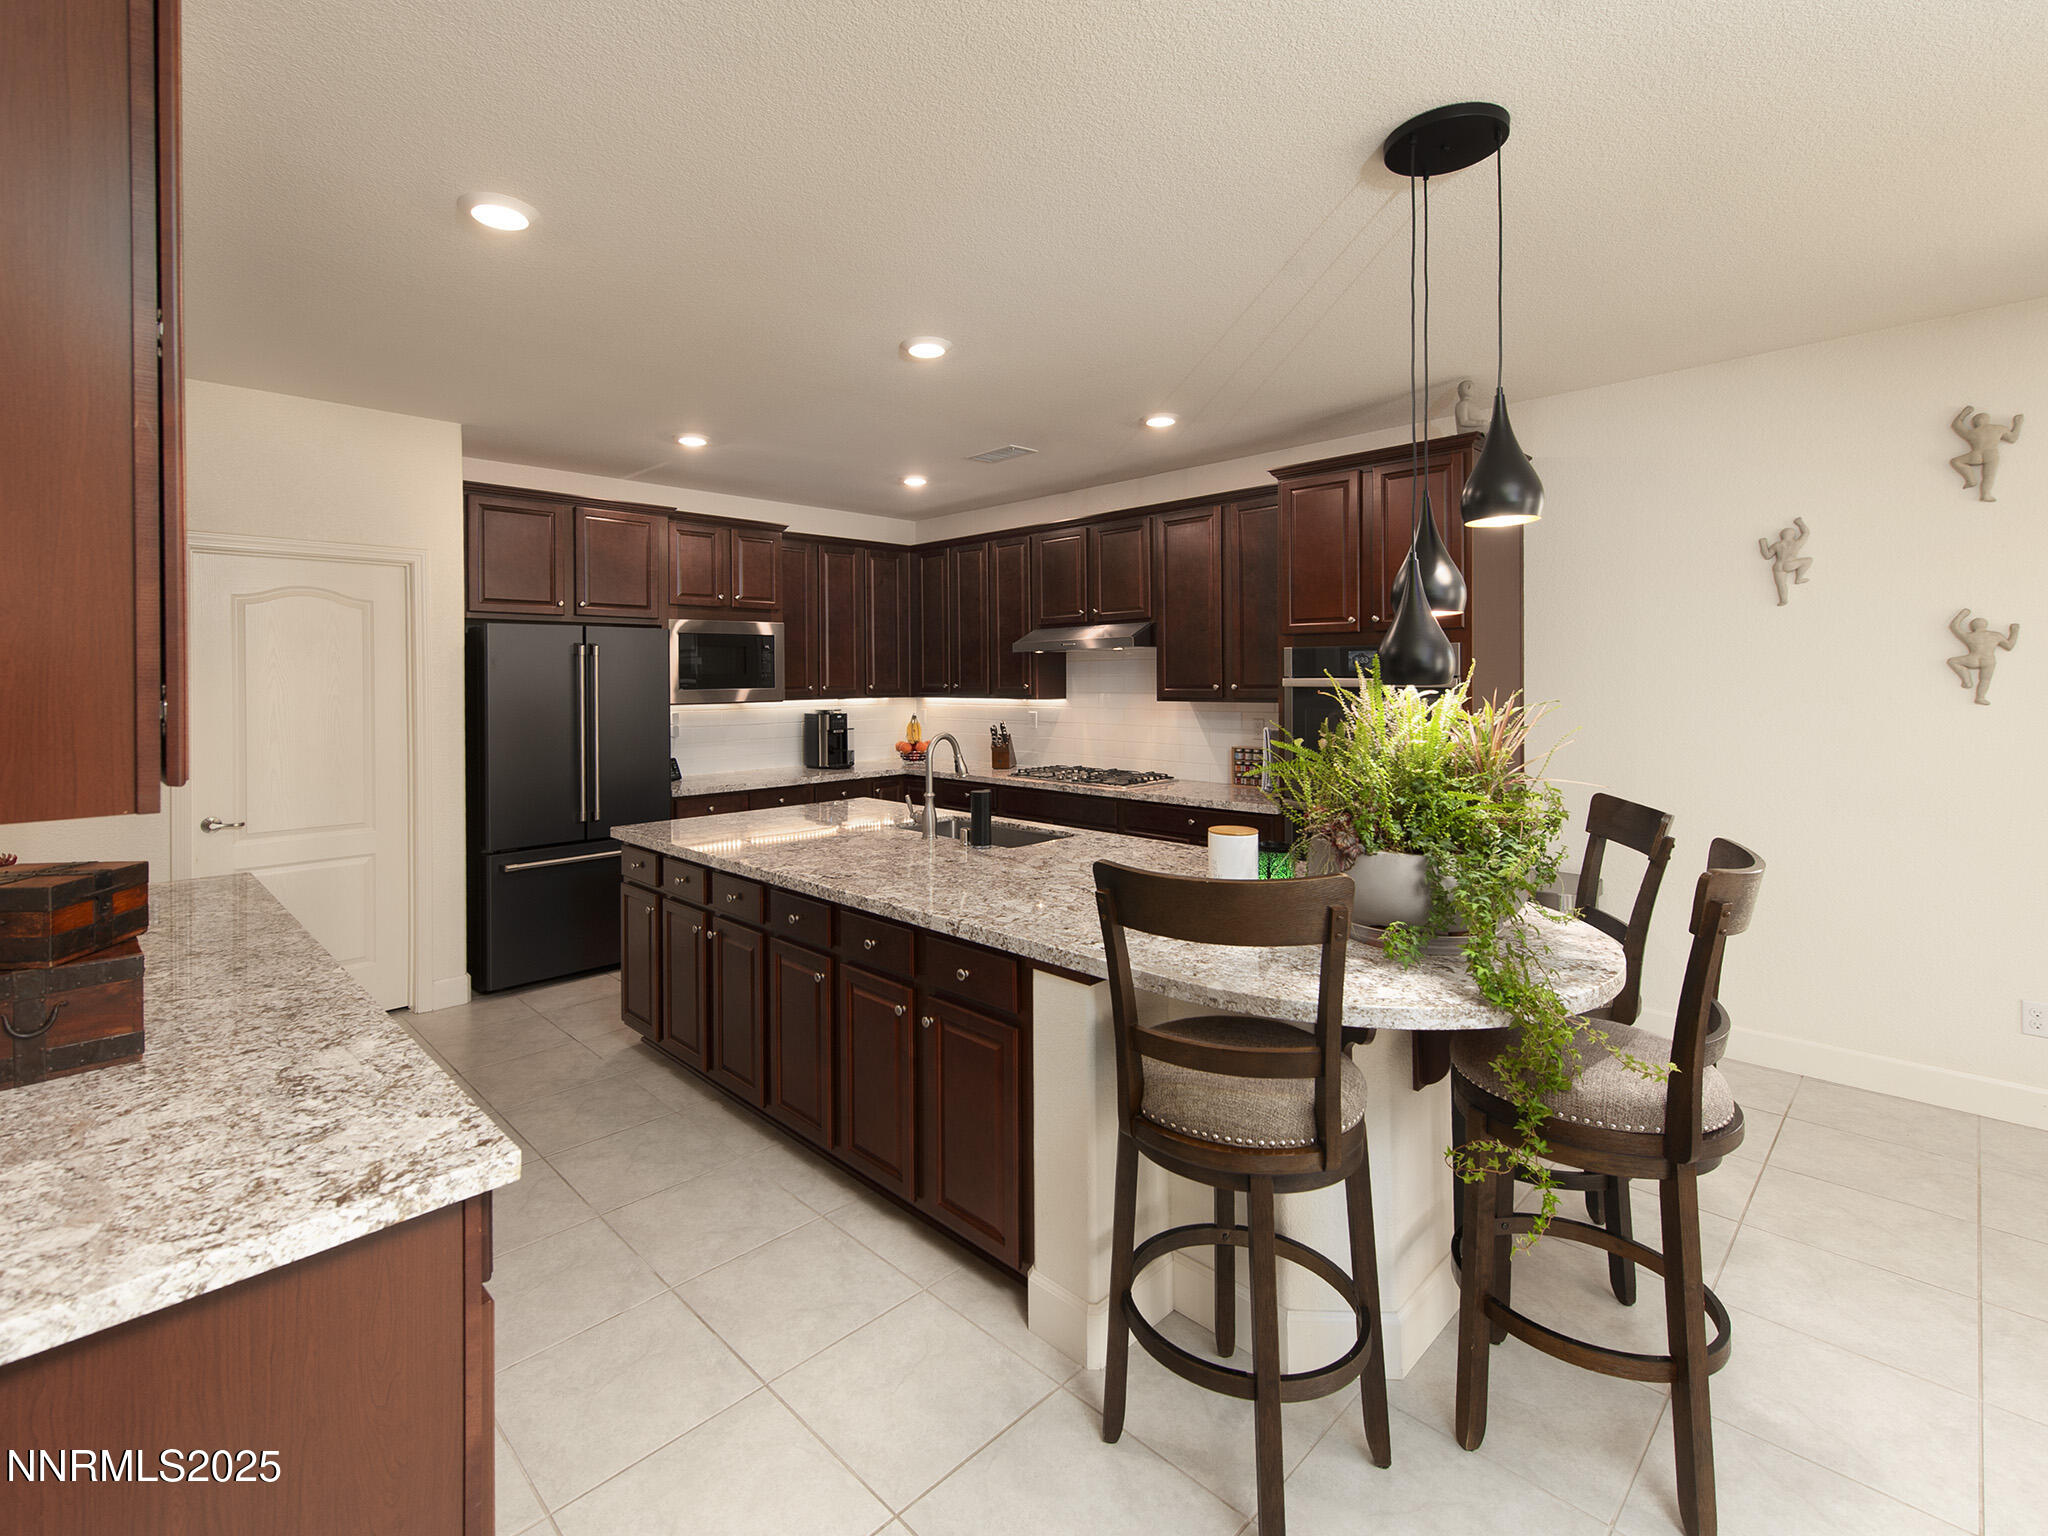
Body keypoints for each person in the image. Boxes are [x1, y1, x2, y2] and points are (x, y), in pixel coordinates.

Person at [1950, 408, 2023, 502]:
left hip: (1976, 454)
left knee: (1956, 461)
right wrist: (2018, 424)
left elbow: (1956, 425)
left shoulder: (1971, 432)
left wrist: (1965, 413)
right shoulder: (1998, 428)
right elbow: (2013, 438)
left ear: (1975, 423)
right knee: (1989, 476)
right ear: (1987, 419)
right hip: (1991, 454)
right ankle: (1985, 494)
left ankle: (1971, 479)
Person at [1947, 610, 2019, 705]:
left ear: (1972, 627)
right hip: (1989, 660)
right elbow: (2009, 646)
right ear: (1985, 625)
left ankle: (1967, 680)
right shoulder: (1996, 635)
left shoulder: (1969, 636)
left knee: (1952, 661)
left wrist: (1964, 613)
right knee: (1985, 680)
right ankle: (1980, 697)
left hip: (1973, 659)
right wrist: (2014, 631)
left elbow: (1954, 626)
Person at [1757, 517, 1812, 606]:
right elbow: (1806, 532)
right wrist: (1800, 522)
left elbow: (1767, 555)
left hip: (1778, 566)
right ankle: (1799, 578)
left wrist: (1763, 543)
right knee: (1809, 560)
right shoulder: (1796, 543)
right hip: (1789, 564)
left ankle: (1783, 600)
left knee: (1781, 585)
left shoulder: (1777, 544)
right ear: (1793, 535)